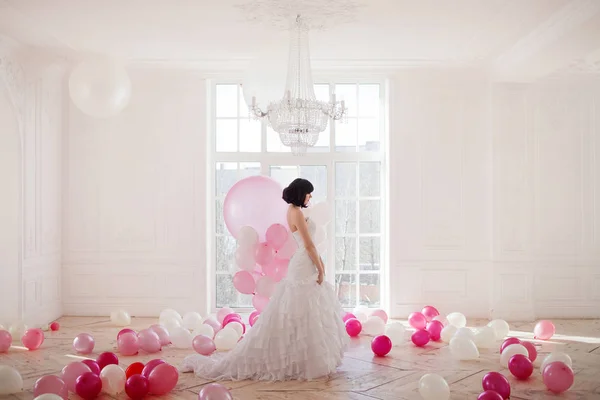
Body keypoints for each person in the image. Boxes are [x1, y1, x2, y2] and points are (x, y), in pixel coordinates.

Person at [181, 178, 348, 381]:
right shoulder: (295, 212)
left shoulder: (296, 211)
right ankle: (294, 359)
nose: (310, 196)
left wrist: (320, 264)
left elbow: (310, 245)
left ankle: (301, 358)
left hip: (305, 262)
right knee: (299, 309)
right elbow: (309, 245)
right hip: (303, 264)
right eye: (308, 193)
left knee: (305, 310)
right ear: (300, 193)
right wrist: (321, 269)